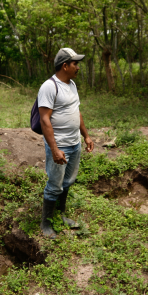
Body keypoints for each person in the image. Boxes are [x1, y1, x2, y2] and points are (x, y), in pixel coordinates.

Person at [38, 48, 94, 238]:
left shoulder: (72, 85)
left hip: (74, 143)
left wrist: (85, 135)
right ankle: (45, 224)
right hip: (59, 145)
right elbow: (44, 120)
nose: (78, 67)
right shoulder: (48, 87)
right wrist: (54, 149)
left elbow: (76, 112)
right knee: (55, 184)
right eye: (75, 64)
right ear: (65, 66)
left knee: (68, 181)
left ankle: (61, 215)